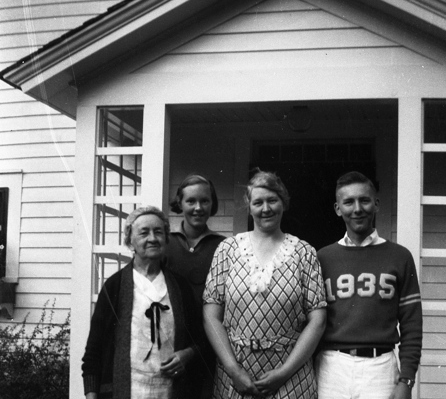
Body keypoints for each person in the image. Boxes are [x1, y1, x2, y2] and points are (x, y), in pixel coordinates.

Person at [203, 170, 327, 399]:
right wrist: (233, 370)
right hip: (236, 376)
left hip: (291, 377)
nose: (266, 209)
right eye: (258, 202)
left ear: (284, 203)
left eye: (272, 200)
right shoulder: (227, 250)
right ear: (249, 207)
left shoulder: (304, 252)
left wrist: (283, 373)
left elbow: (317, 321)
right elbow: (211, 316)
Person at [316, 171, 423, 399]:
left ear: (376, 204)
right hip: (332, 367)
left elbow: (412, 325)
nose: (357, 209)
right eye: (348, 202)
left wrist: (406, 379)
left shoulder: (399, 256)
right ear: (337, 208)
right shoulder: (322, 258)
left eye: (364, 200)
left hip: (380, 368)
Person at [82, 206, 201, 399]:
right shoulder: (115, 286)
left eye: (158, 232)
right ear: (130, 242)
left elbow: (200, 341)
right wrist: (91, 394)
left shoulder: (180, 287)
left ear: (166, 239)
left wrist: (186, 355)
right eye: (144, 233)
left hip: (170, 391)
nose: (153, 238)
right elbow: (94, 349)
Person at [165, 174, 225, 398]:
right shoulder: (164, 244)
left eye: (205, 201)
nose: (198, 208)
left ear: (213, 204)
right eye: (191, 201)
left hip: (210, 351)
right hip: (169, 352)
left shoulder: (224, 247)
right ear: (180, 203)